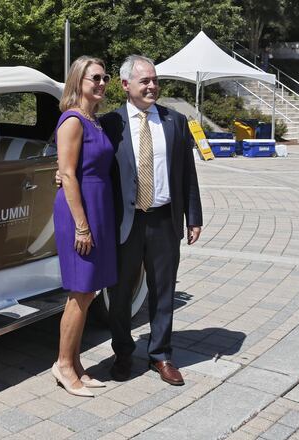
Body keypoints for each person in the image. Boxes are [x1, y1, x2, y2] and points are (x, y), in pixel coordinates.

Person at [102, 55, 202, 386]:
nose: (152, 86)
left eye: (155, 80)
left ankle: (161, 354)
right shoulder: (110, 124)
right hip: (125, 223)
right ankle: (122, 352)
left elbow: (187, 173)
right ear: (125, 84)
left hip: (164, 220)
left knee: (164, 290)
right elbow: (95, 170)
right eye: (144, 80)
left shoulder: (176, 121)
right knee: (119, 293)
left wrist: (193, 216)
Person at [51, 56, 117, 397]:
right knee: (80, 291)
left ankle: (75, 363)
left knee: (88, 291)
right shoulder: (73, 120)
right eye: (95, 78)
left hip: (97, 207)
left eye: (105, 77)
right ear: (78, 81)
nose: (102, 83)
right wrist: (81, 226)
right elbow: (66, 174)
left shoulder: (95, 121)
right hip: (80, 212)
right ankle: (63, 365)